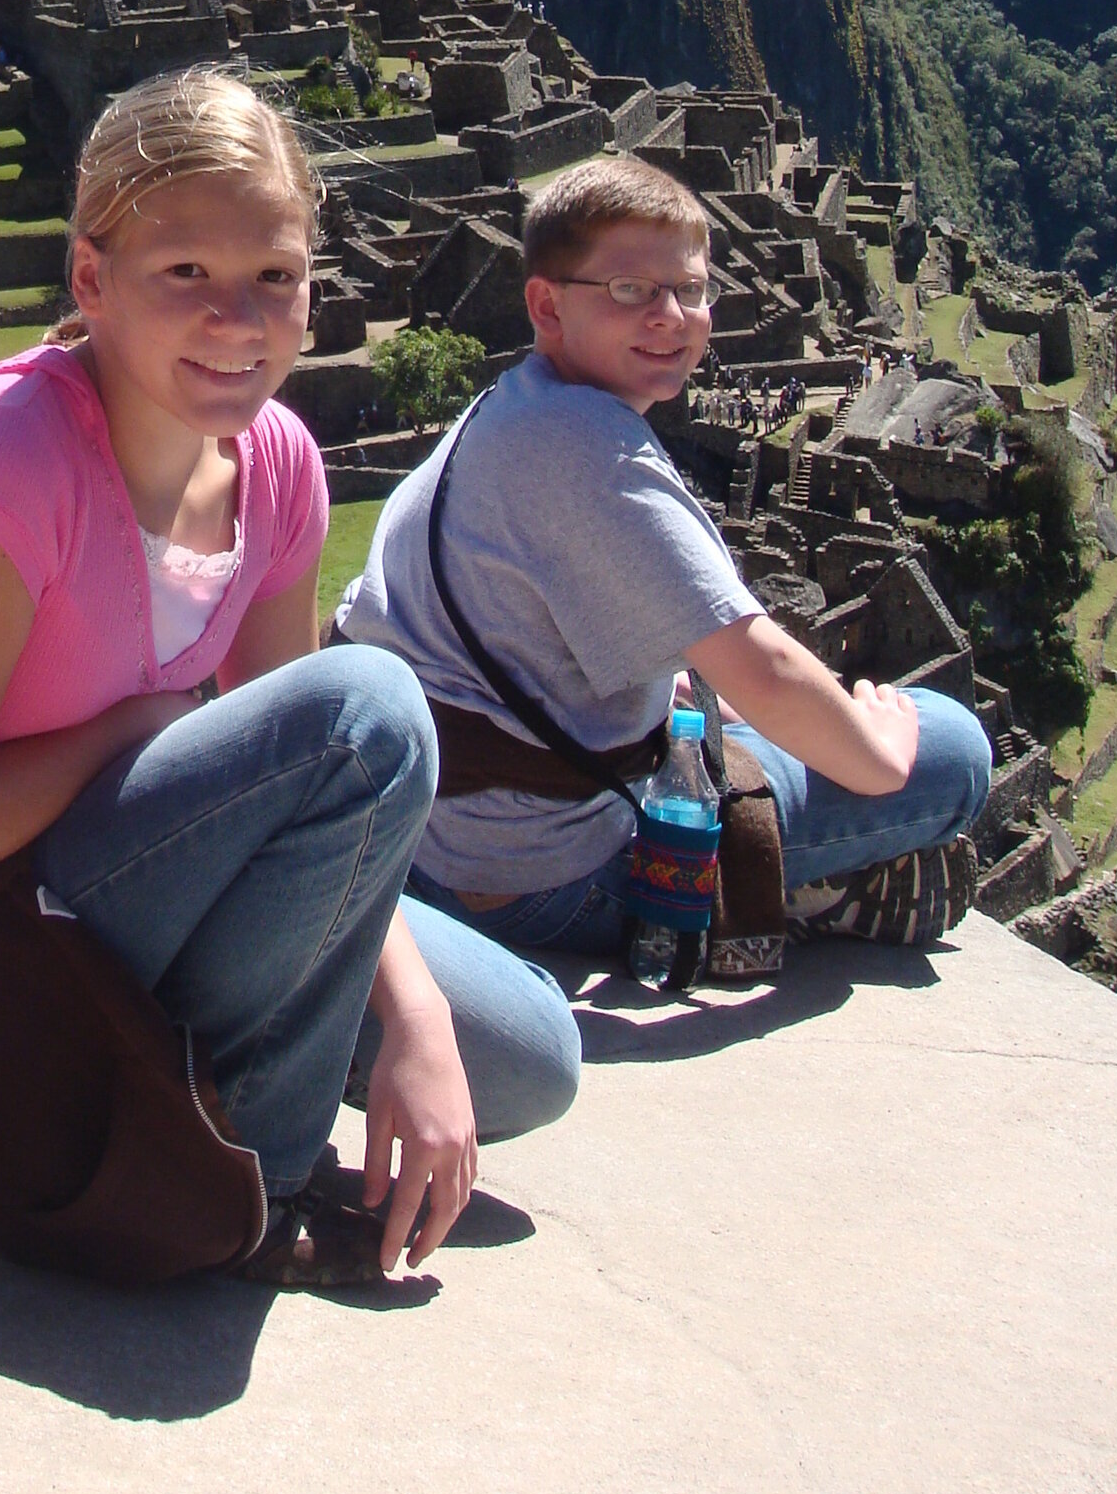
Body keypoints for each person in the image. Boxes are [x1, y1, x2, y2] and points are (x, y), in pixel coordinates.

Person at [0, 64, 493, 1295]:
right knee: (371, 711)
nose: (239, 318)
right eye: (186, 276)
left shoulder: (276, 470)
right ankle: (246, 1186)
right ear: (90, 278)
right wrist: (132, 725)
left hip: (108, 879)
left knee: (517, 1057)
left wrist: (419, 1030)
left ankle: (230, 1073)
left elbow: (314, 792)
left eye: (275, 276)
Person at [337, 156, 994, 1032]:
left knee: (738, 723)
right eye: (627, 288)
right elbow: (755, 662)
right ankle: (796, 891)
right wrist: (876, 752)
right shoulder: (595, 457)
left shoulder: (510, 406)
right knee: (949, 749)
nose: (671, 317)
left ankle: (817, 873)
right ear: (547, 304)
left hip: (431, 829)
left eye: (689, 288)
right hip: (536, 874)